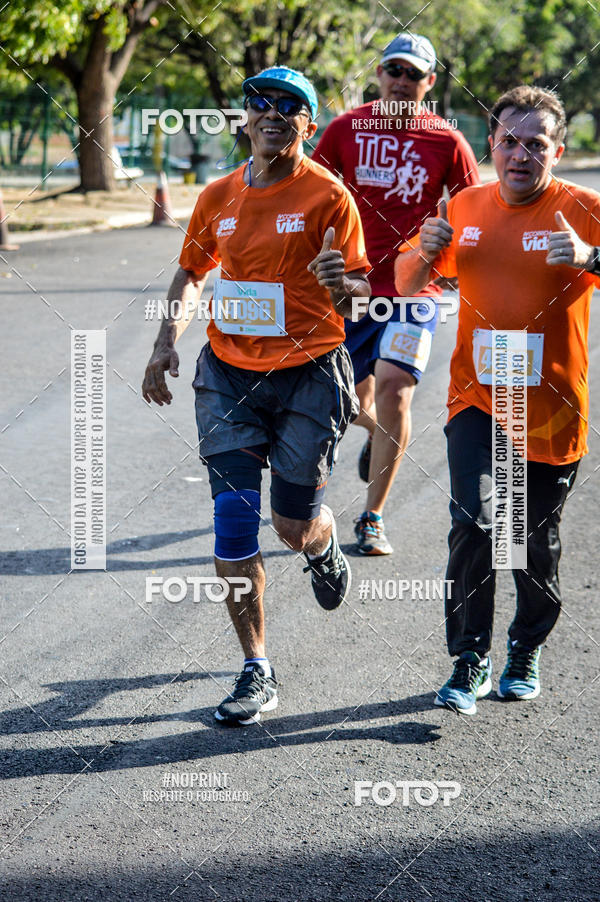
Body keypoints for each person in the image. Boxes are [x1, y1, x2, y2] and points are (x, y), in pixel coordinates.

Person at [142, 67, 370, 726]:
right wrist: (164, 344)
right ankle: (256, 666)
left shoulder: (330, 197)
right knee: (235, 523)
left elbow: (359, 295)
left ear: (309, 123)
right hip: (229, 377)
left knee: (291, 526)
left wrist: (339, 284)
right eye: (259, 103)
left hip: (308, 375)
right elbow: (191, 271)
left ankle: (322, 548)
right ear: (245, 118)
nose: (271, 113)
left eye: (289, 106)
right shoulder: (218, 195)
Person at [395, 85, 600, 714]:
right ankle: (468, 660)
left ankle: (525, 645)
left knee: (532, 538)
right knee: (478, 524)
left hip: (553, 407)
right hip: (477, 400)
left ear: (556, 151)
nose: (520, 155)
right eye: (509, 141)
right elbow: (406, 284)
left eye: (535, 144)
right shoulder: (463, 206)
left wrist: (593, 256)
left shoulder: (585, 208)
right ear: (492, 145)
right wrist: (425, 255)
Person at [313, 32, 479, 555]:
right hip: (352, 291)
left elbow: (476, 209)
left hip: (415, 292)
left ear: (429, 82)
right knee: (346, 400)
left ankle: (372, 517)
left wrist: (464, 268)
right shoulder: (345, 129)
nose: (403, 81)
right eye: (395, 71)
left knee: (394, 391)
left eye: (414, 74)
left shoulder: (447, 141)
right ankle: (377, 434)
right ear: (380, 75)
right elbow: (311, 191)